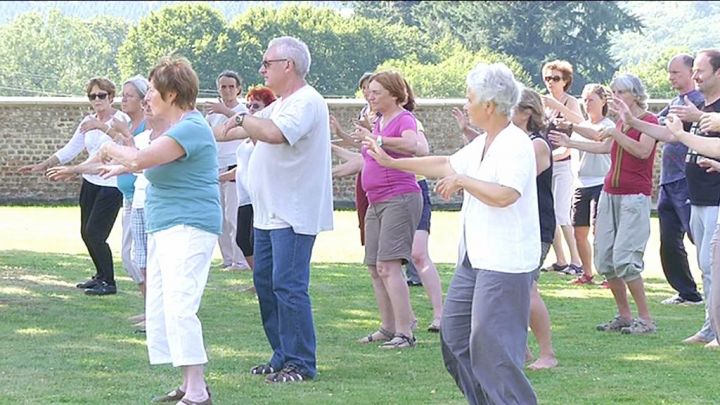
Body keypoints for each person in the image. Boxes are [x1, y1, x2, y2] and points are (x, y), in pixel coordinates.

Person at [366, 62, 539, 404]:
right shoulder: (482, 143)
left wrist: (463, 181)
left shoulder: (515, 144)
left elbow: (506, 194)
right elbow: (445, 164)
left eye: (470, 97)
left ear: (489, 105)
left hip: (505, 262)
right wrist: (391, 162)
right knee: (455, 337)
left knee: (493, 346)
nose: (466, 103)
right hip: (474, 258)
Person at [98, 56, 220, 404]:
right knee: (164, 306)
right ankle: (189, 382)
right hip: (165, 226)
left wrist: (108, 144)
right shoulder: (174, 129)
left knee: (181, 305)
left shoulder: (192, 128)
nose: (148, 96)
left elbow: (138, 159)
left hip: (190, 226)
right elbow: (144, 159)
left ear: (171, 93)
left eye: (152, 89)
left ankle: (197, 393)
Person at [219, 36, 333, 383]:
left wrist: (242, 120)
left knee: (288, 285)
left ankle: (300, 362)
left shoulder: (307, 102)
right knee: (266, 284)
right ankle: (282, 353)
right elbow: (227, 131)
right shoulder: (280, 103)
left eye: (267, 63)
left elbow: (272, 133)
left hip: (294, 213)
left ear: (289, 65)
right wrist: (240, 121)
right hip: (268, 213)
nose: (262, 69)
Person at [619, 49, 720, 347]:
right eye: (696, 70)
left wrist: (698, 119)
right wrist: (632, 121)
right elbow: (670, 134)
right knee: (707, 267)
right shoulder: (699, 108)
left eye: (701, 70)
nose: (696, 75)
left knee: (711, 264)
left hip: (715, 197)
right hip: (698, 195)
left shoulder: (707, 111)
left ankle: (715, 330)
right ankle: (709, 327)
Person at [550, 74, 658, 335]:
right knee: (606, 260)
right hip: (610, 194)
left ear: (635, 94)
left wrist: (616, 134)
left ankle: (645, 319)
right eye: (613, 92)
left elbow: (642, 151)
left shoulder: (649, 121)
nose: (615, 97)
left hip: (634, 197)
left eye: (620, 92)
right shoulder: (621, 121)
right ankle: (624, 315)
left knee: (626, 260)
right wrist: (570, 140)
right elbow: (604, 146)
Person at [20, 77, 130, 296]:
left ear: (111, 97)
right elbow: (70, 150)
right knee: (85, 232)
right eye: (92, 96)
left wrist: (101, 126)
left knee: (96, 233)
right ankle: (99, 276)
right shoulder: (87, 121)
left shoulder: (121, 119)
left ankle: (109, 282)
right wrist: (41, 165)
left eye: (101, 95)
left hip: (111, 183)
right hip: (91, 183)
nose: (97, 100)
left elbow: (125, 143)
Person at [512, 88, 557, 370]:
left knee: (527, 287)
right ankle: (523, 351)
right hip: (514, 223)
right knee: (513, 288)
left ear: (527, 112)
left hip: (536, 225)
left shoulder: (537, 144)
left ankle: (547, 354)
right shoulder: (512, 142)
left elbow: (520, 177)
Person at [218, 85, 277, 293]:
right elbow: (241, 169)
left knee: (256, 242)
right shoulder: (245, 138)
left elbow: (259, 147)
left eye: (256, 106)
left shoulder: (263, 136)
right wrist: (219, 178)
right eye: (249, 105)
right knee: (243, 240)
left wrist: (232, 115)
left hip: (258, 197)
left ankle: (265, 283)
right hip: (244, 197)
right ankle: (260, 281)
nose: (251, 109)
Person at [655, 55, 704, 305]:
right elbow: (656, 123)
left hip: (687, 179)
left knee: (700, 236)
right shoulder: (675, 102)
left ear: (691, 72)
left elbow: (670, 131)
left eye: (676, 72)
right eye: (669, 72)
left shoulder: (698, 102)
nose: (671, 77)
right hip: (668, 180)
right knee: (669, 239)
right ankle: (687, 292)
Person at [566, 84, 614, 286]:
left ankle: (609, 274)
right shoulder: (581, 127)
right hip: (580, 184)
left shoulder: (608, 125)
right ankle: (587, 273)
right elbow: (567, 152)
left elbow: (598, 140)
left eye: (591, 99)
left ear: (604, 101)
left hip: (601, 182)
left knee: (599, 231)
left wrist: (570, 130)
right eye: (584, 100)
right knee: (579, 232)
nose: (587, 104)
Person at [541, 60, 583, 275]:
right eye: (547, 78)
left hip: (564, 164)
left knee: (562, 214)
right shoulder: (543, 103)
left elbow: (581, 123)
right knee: (550, 213)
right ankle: (560, 259)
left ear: (565, 81)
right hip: (547, 164)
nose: (550, 82)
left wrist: (557, 106)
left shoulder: (570, 102)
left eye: (555, 78)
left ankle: (577, 261)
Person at [206, 70, 248, 271]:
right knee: (219, 217)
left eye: (231, 86)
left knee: (233, 216)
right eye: (223, 86)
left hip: (235, 164)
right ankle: (228, 258)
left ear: (238, 89)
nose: (228, 90)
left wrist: (225, 111)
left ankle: (240, 260)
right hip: (215, 166)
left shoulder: (243, 111)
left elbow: (246, 124)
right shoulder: (212, 115)